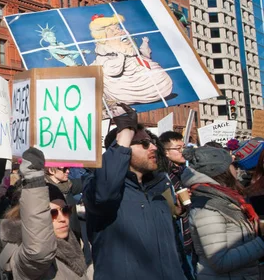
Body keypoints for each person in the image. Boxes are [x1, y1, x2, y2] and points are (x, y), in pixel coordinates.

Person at [83, 104, 185, 280]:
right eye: (144, 144)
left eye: (152, 143)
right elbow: (105, 192)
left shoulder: (157, 191)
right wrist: (124, 133)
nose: (153, 148)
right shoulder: (98, 188)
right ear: (120, 148)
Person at [0, 148, 91, 280]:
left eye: (65, 210)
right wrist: (33, 179)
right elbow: (38, 250)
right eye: (52, 213)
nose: (62, 219)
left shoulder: (69, 243)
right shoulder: (24, 254)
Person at [182, 147, 264, 279]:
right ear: (222, 171)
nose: (236, 170)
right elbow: (220, 261)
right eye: (233, 165)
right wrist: (261, 243)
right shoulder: (208, 208)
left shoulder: (225, 200)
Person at [159, 131, 195, 280]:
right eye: (178, 148)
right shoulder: (162, 176)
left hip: (189, 230)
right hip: (176, 233)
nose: (183, 151)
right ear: (166, 152)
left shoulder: (185, 171)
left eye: (184, 147)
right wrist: (178, 208)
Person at [45, 166, 83, 241]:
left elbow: (88, 181)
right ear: (51, 170)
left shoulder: (69, 185)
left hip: (73, 236)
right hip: (52, 239)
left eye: (69, 168)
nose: (68, 171)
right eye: (64, 169)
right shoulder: (41, 190)